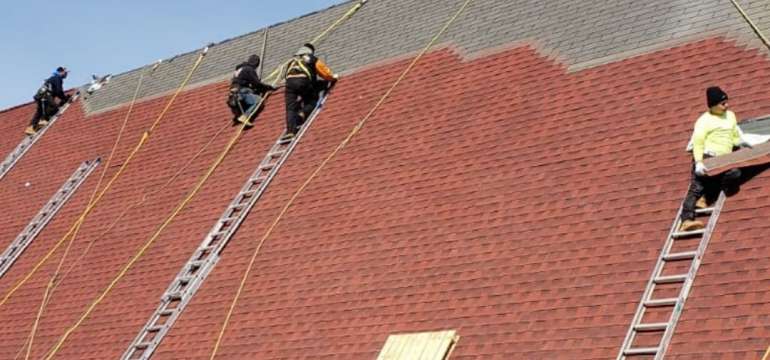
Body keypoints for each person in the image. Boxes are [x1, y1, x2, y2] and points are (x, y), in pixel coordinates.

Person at [680, 86, 750, 231]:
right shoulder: (704, 121)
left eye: (727, 102)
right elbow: (698, 142)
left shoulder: (730, 115)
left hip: (724, 158)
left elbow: (734, 133)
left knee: (734, 173)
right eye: (722, 104)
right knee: (696, 187)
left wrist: (741, 142)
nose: (726, 106)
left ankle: (706, 198)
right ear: (712, 106)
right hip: (707, 156)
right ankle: (686, 220)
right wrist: (699, 162)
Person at [282, 43, 339, 140]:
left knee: (290, 108)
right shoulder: (310, 58)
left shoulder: (292, 61)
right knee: (312, 100)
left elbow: (286, 75)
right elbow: (324, 72)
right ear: (310, 51)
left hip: (289, 84)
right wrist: (332, 78)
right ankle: (302, 114)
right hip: (303, 81)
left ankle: (290, 131)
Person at [228, 55, 276, 126]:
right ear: (256, 63)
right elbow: (257, 84)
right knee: (258, 101)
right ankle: (245, 116)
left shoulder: (240, 69)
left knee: (248, 97)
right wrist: (269, 87)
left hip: (234, 94)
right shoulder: (249, 69)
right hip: (241, 92)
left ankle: (239, 115)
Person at [25, 67, 71, 136]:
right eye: (65, 73)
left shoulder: (52, 78)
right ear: (61, 72)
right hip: (46, 95)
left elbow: (56, 92)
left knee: (39, 111)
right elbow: (59, 91)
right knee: (54, 108)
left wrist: (62, 98)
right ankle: (43, 121)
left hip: (40, 95)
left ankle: (31, 127)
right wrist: (64, 98)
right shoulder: (57, 78)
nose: (66, 74)